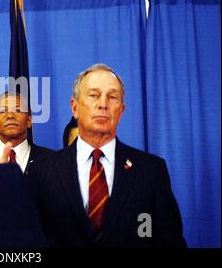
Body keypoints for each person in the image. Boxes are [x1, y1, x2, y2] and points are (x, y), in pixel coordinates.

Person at [27, 63, 187, 247]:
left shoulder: (151, 171)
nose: (103, 104)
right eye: (94, 95)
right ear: (75, 107)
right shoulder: (41, 171)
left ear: (121, 111)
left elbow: (169, 242)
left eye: (112, 97)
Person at [0, 92, 54, 174]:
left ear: (29, 121)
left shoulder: (50, 159)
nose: (10, 115)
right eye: (3, 111)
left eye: (18, 110)